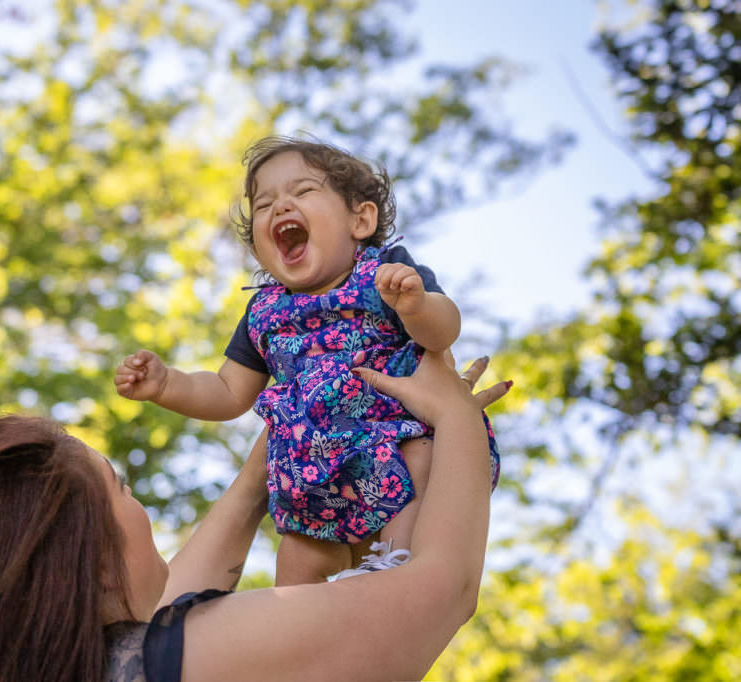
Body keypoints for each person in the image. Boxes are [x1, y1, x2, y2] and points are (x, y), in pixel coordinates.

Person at [0, 351, 508, 682]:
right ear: (88, 557)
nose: (137, 508)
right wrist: (453, 417)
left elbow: (179, 609)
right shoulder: (168, 662)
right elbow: (441, 590)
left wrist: (277, 453)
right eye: (123, 489)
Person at [115, 135, 501, 584]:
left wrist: (415, 305)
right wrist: (168, 385)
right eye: (263, 205)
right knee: (298, 557)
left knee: (419, 461)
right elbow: (227, 393)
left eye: (301, 192)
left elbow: (444, 331)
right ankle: (297, 625)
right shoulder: (263, 312)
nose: (280, 207)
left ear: (361, 219)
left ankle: (391, 571)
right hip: (310, 470)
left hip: (394, 433)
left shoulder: (384, 272)